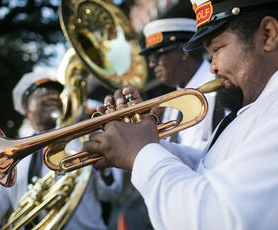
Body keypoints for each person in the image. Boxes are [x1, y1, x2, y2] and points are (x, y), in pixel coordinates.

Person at [83, 0, 278, 229]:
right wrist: (143, 142)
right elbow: (208, 166)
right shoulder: (255, 106)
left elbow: (219, 219)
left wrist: (142, 153)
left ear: (268, 35)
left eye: (217, 49)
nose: (212, 68)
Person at [0, 69, 123, 230]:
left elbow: (111, 193)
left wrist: (104, 167)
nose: (54, 96)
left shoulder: (82, 138)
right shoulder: (10, 154)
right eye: (43, 91)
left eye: (57, 92)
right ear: (26, 106)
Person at [140, 17, 225, 149]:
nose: (151, 64)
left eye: (156, 55)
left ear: (183, 51)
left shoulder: (220, 88)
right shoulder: (171, 104)